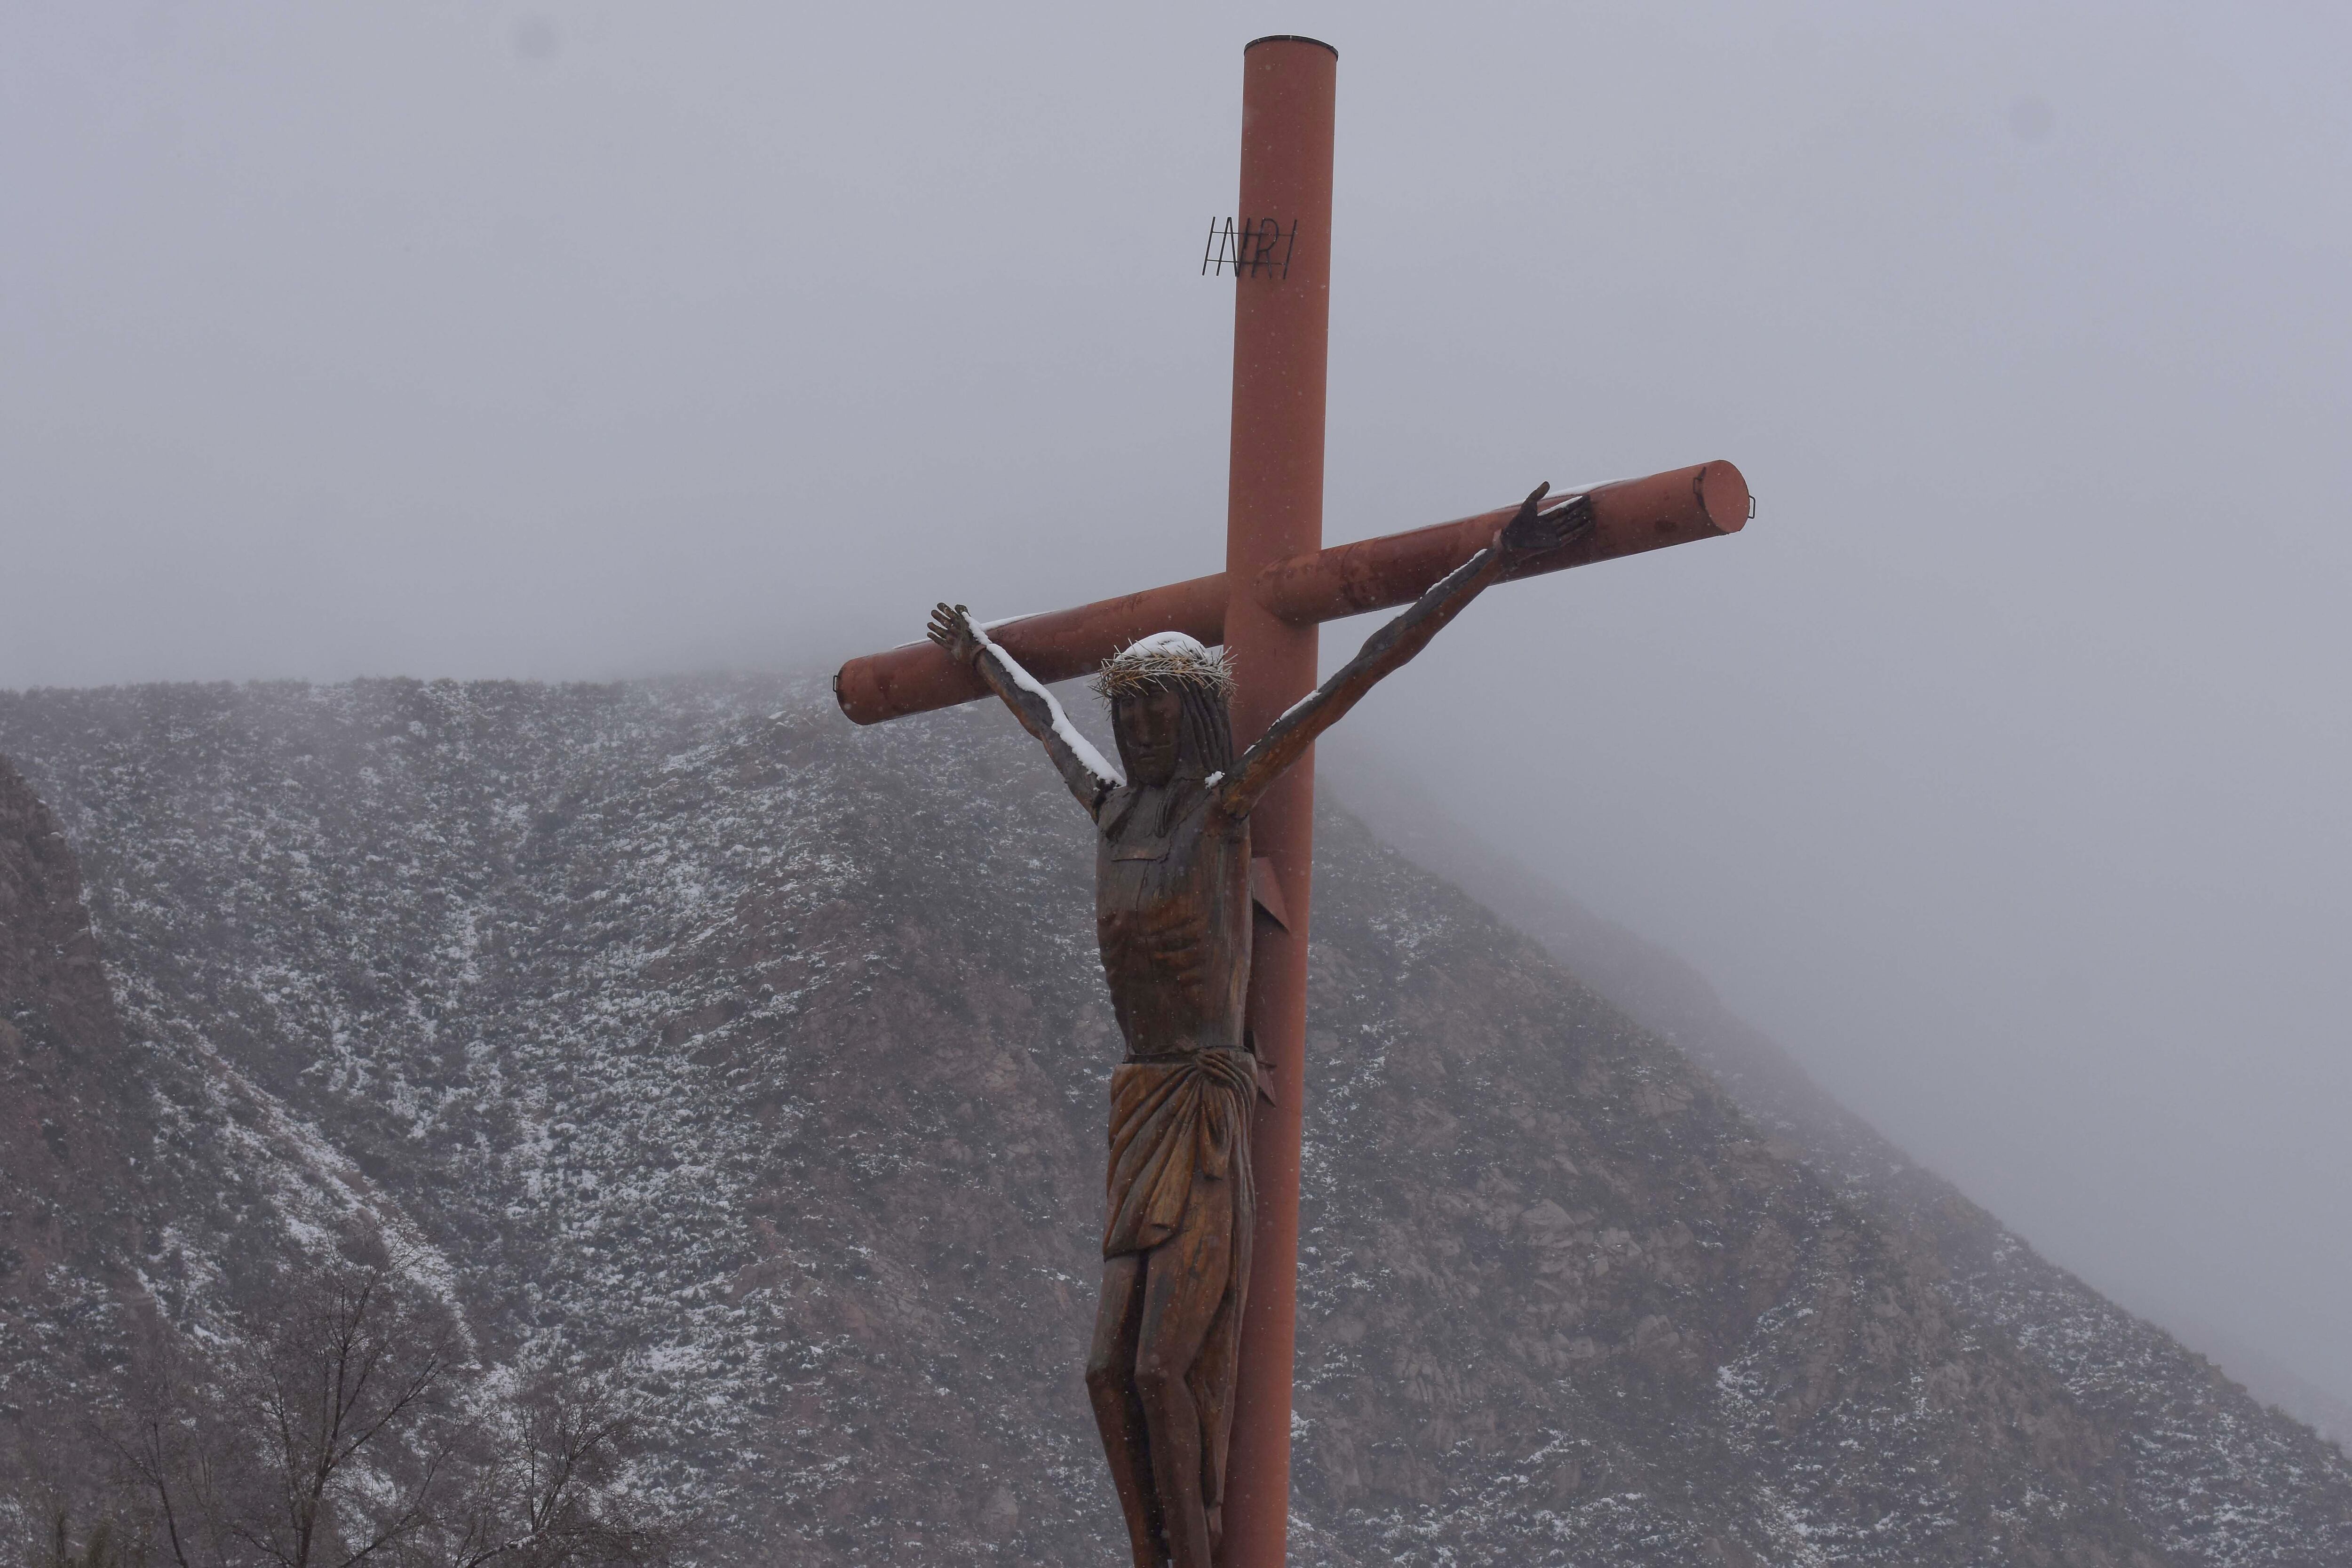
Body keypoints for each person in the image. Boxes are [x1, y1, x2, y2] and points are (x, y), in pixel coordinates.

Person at [924, 481, 1590, 1568]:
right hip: (1138, 1101)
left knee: (1154, 1366)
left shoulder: (1223, 802)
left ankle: (1194, 1544)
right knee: (1102, 1369)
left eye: (1156, 712)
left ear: (1192, 718)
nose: (1135, 730)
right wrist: (980, 652)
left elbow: (1361, 672)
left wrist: (1485, 565)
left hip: (1202, 1103)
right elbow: (1047, 720)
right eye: (1126, 712)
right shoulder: (1110, 807)